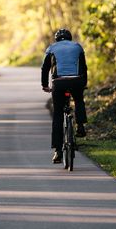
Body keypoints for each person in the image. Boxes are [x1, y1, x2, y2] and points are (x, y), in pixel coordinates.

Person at [41, 28, 88, 164]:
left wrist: (45, 85)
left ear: (57, 39)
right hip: (76, 81)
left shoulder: (51, 48)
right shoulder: (77, 47)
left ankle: (58, 152)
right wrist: (83, 84)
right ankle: (80, 126)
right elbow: (84, 67)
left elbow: (45, 68)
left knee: (57, 115)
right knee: (79, 100)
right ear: (70, 38)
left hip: (59, 83)